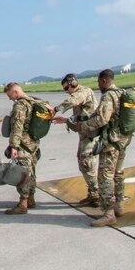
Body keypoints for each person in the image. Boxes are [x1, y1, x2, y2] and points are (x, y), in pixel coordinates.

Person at [68, 69, 131, 227]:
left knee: (105, 177)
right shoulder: (121, 92)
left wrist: (83, 126)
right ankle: (118, 207)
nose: (98, 85)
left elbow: (102, 118)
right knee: (118, 173)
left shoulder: (109, 95)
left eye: (98, 82)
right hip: (123, 140)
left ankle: (109, 213)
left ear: (104, 81)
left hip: (111, 142)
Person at [52, 73, 98, 206]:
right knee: (83, 161)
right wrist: (65, 120)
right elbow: (80, 116)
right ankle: (93, 192)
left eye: (67, 88)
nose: (66, 92)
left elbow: (73, 100)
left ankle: (97, 194)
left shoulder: (83, 92)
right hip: (84, 132)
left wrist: (57, 109)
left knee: (87, 162)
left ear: (73, 84)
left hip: (91, 133)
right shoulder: (78, 95)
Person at [2, 82, 42, 215]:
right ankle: (31, 199)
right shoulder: (32, 101)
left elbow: (17, 126)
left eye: (10, 95)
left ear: (16, 92)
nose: (9, 98)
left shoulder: (20, 105)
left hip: (23, 144)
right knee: (32, 171)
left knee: (23, 172)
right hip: (33, 143)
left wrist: (14, 146)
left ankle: (22, 204)